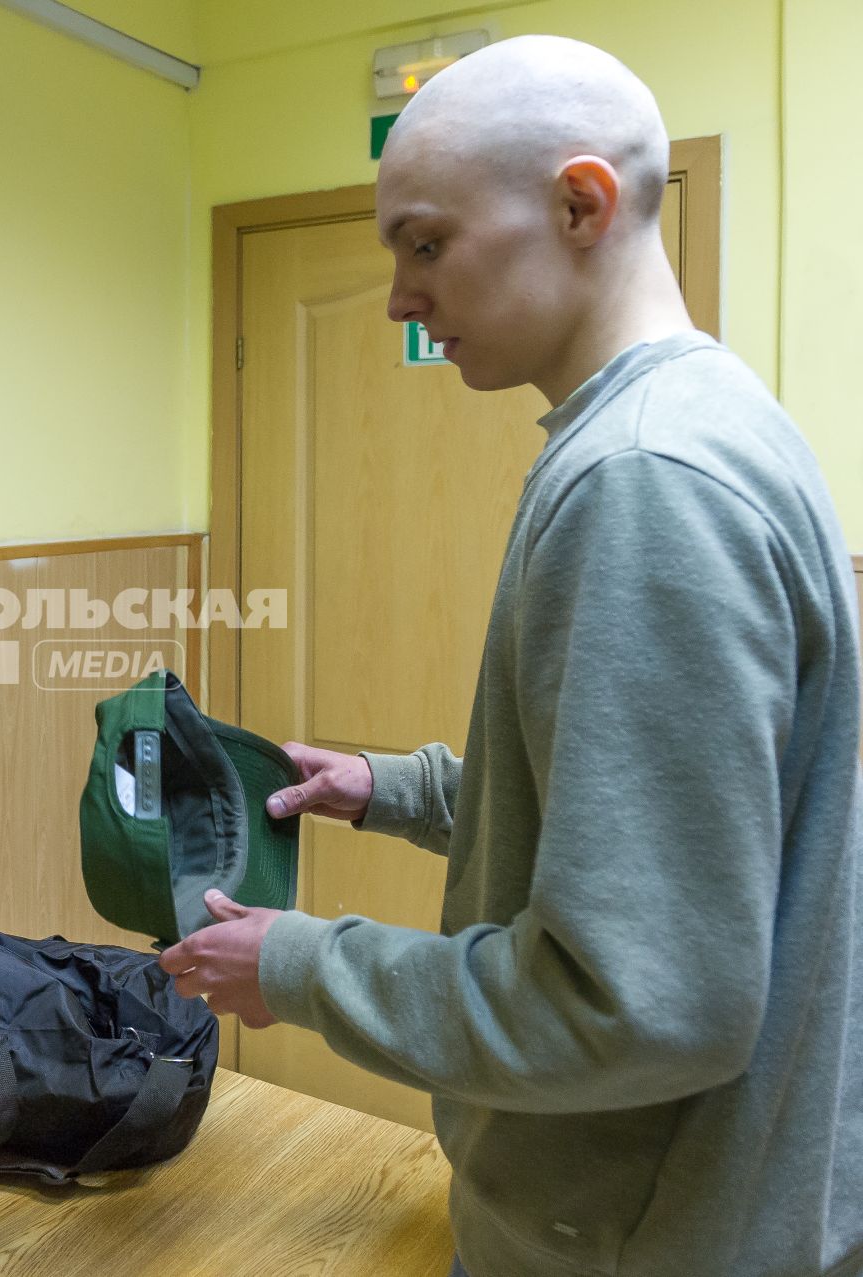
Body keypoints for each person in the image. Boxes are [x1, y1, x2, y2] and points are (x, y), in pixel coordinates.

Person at [160, 35, 862, 1277]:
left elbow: (636, 1004)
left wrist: (299, 962)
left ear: (580, 204)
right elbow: (675, 818)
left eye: (425, 244)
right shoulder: (713, 417)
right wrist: (409, 788)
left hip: (640, 1238)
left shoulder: (645, 481)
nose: (398, 297)